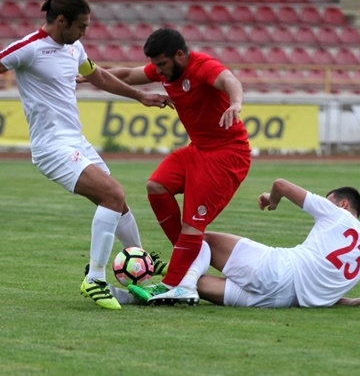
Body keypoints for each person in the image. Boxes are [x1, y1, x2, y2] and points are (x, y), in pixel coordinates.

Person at [0, 0, 172, 310]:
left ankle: (140, 263)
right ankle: (95, 279)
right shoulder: (29, 48)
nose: (85, 32)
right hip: (50, 148)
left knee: (116, 201)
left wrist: (140, 97)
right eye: (81, 25)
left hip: (75, 141)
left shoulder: (74, 47)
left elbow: (98, 76)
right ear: (60, 20)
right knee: (112, 193)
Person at [106, 28, 251, 304]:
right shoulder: (165, 69)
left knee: (192, 227)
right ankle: (190, 259)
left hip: (226, 155)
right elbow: (126, 75)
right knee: (156, 186)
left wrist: (236, 103)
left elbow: (229, 79)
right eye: (155, 65)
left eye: (161, 64)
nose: (158, 71)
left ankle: (174, 284)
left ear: (180, 55)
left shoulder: (202, 67)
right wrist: (90, 75)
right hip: (198, 150)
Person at [123, 178, 360, 308]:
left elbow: (281, 184)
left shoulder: (336, 213)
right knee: (198, 280)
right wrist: (342, 300)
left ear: (343, 205)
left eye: (330, 201)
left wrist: (272, 199)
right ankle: (177, 286)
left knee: (202, 240)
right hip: (282, 302)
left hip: (277, 268)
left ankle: (184, 287)